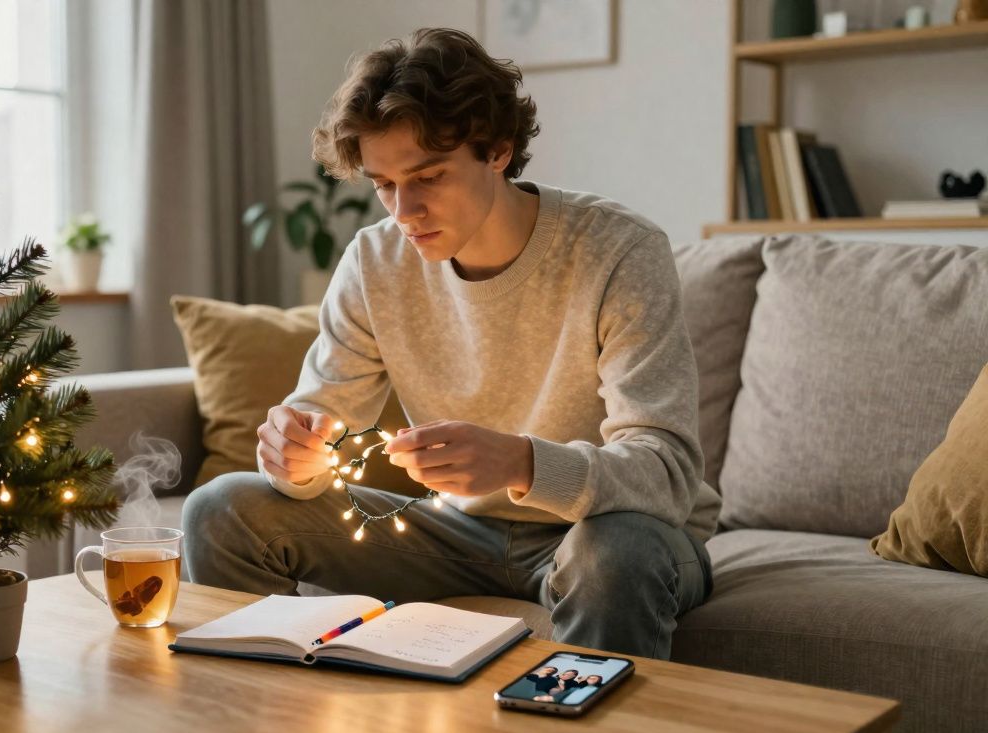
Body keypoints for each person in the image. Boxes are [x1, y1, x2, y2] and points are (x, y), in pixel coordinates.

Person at [183, 27, 717, 660]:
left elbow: (666, 472)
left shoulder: (619, 251)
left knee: (611, 556)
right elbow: (314, 428)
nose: (403, 211)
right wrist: (292, 457)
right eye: (383, 185)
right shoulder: (374, 262)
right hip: (455, 534)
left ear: (496, 151)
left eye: (428, 176)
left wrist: (522, 463)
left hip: (615, 533)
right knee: (223, 508)